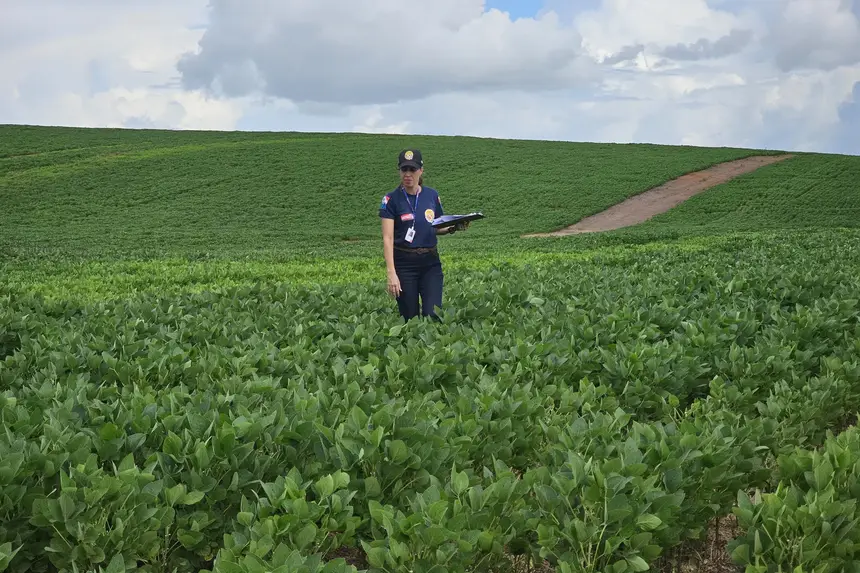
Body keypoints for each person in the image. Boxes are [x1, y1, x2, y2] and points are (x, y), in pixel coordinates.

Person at [379, 148, 469, 321]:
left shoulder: (432, 195)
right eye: (404, 169)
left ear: (421, 170)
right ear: (399, 171)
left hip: (430, 263)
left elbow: (435, 226)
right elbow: (387, 238)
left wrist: (453, 227)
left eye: (412, 169)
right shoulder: (391, 200)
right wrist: (391, 273)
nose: (408, 174)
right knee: (410, 318)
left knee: (433, 314)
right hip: (404, 265)